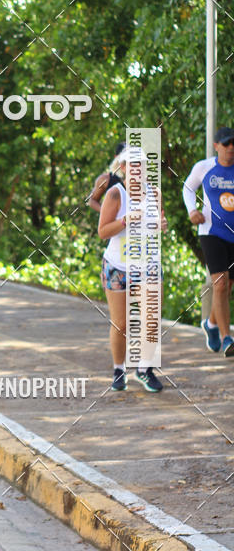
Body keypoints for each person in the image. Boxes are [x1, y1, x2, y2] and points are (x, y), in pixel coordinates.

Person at [98, 147, 167, 392]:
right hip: (118, 266)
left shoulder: (154, 193)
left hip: (148, 264)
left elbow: (160, 222)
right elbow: (103, 231)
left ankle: (144, 369)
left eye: (141, 164)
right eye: (131, 165)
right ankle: (119, 370)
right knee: (121, 323)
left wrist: (162, 224)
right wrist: (126, 220)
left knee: (151, 319)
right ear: (123, 168)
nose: (136, 169)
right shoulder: (116, 194)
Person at [182, 126, 234, 356]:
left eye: (233, 144)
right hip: (211, 232)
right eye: (226, 144)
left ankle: (211, 324)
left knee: (228, 287)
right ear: (216, 146)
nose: (231, 148)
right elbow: (188, 187)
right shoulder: (204, 167)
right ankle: (227, 338)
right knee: (220, 284)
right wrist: (192, 210)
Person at [87, 142, 126, 213]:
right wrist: (107, 213)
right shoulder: (105, 179)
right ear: (116, 158)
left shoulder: (141, 178)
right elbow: (91, 200)